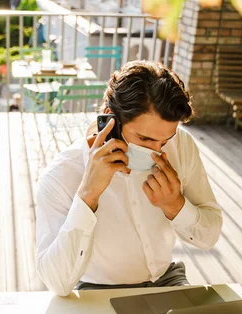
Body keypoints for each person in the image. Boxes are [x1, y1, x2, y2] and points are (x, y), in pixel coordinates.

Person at [36, 61, 222, 296]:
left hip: (166, 280)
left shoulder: (181, 145)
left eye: (164, 141)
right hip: (97, 290)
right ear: (109, 119)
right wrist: (87, 196)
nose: (157, 153)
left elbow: (209, 238)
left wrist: (175, 206)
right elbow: (57, 283)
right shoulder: (61, 176)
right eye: (144, 139)